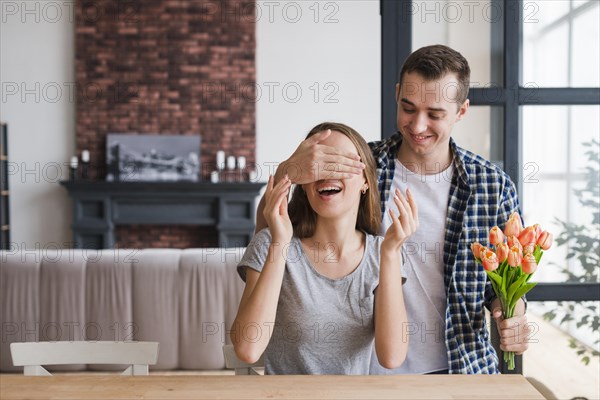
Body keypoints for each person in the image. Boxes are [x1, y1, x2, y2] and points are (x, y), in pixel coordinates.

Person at [255, 45, 530, 374]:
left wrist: (514, 314)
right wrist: (289, 170)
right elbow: (271, 232)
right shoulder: (360, 166)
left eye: (435, 114)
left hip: (462, 370)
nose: (417, 124)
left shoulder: (493, 186)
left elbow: (502, 285)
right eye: (408, 108)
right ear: (397, 94)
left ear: (461, 111)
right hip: (367, 374)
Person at [231, 122, 418, 374]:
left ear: (365, 181)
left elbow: (392, 356)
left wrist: (390, 254)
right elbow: (247, 349)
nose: (327, 172)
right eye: (317, 165)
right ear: (304, 184)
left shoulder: (381, 253)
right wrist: (280, 242)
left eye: (342, 163)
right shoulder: (272, 242)